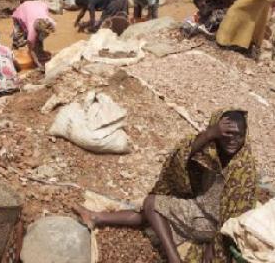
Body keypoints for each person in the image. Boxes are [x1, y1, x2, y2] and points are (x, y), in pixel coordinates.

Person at [74, 109, 256, 263]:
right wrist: (209, 134)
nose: (233, 140)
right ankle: (97, 218)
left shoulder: (243, 168)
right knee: (152, 212)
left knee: (152, 205)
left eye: (239, 135)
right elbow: (180, 155)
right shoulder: (212, 148)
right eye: (227, 134)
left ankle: (173, 259)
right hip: (197, 208)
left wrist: (214, 243)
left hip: (214, 225)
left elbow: (238, 217)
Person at [12, 1, 56, 71]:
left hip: (39, 6)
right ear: (37, 31)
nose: (46, 36)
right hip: (23, 10)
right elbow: (31, 50)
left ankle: (39, 49)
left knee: (38, 41)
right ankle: (15, 46)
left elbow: (46, 32)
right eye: (44, 34)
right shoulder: (32, 33)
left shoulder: (50, 23)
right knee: (19, 37)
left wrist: (40, 47)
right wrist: (38, 64)